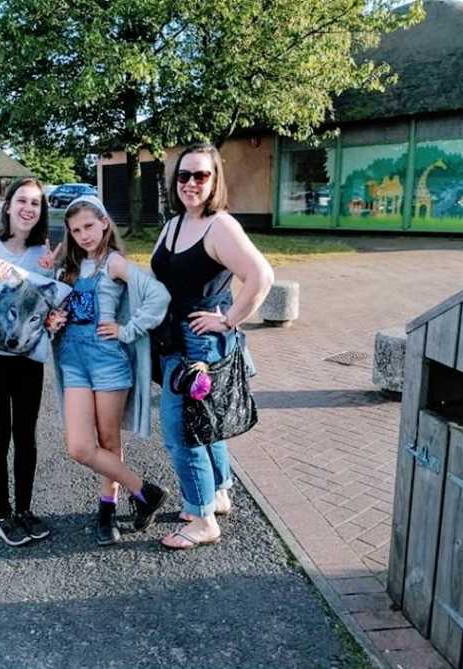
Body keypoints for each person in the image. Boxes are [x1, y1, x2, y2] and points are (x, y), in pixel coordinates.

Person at [151, 144, 274, 550]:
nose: (190, 183)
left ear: (215, 179)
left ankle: (202, 519)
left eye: (200, 176)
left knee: (182, 434)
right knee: (206, 425)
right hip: (173, 341)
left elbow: (261, 277)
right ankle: (217, 493)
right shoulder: (174, 224)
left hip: (198, 349)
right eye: (183, 175)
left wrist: (228, 319)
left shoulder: (220, 226)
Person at [47, 195, 171, 545]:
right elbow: (52, 312)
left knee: (108, 440)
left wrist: (128, 330)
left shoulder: (113, 263)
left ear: (104, 223)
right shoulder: (67, 271)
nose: (83, 235)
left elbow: (157, 296)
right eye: (75, 230)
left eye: (88, 226)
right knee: (79, 447)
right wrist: (55, 321)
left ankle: (108, 508)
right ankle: (144, 491)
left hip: (107, 363)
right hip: (73, 363)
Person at [0, 177, 60, 547]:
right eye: (22, 200)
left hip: (28, 360)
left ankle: (24, 510)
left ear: (40, 211)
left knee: (27, 438)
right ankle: (3, 515)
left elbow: (47, 305)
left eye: (35, 203)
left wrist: (53, 310)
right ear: (8, 205)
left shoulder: (43, 253)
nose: (28, 208)